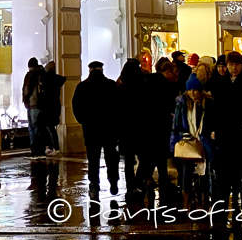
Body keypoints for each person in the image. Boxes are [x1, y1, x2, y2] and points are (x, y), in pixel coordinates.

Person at [211, 51, 242, 211]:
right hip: (225, 133)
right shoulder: (220, 83)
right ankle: (224, 203)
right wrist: (214, 129)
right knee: (225, 169)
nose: (233, 68)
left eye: (236, 65)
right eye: (230, 65)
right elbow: (216, 109)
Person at [72, 61, 120, 197]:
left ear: (90, 70)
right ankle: (113, 181)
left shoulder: (82, 86)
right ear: (101, 70)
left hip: (91, 128)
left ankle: (94, 183)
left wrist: (83, 121)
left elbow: (76, 107)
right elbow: (118, 107)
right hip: (109, 127)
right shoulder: (111, 85)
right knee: (111, 156)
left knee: (93, 157)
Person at [171, 75, 215, 209]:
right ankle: (187, 199)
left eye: (195, 90)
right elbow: (177, 123)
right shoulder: (182, 103)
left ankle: (204, 197)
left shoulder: (207, 103)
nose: (193, 93)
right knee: (187, 170)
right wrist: (176, 139)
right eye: (190, 90)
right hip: (187, 140)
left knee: (205, 170)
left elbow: (211, 120)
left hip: (204, 140)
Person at [139, 58, 180, 197]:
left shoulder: (148, 82)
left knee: (153, 155)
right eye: (174, 74)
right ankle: (157, 179)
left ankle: (148, 179)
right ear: (168, 72)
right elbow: (169, 105)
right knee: (160, 153)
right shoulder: (165, 85)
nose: (176, 77)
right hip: (161, 124)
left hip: (148, 124)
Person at [117, 59, 148, 194]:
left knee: (128, 161)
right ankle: (138, 180)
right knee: (145, 158)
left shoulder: (120, 88)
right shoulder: (143, 86)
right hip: (140, 127)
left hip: (125, 128)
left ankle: (131, 186)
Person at [37, 60, 66, 157]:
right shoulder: (56, 79)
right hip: (54, 105)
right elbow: (62, 79)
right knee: (50, 127)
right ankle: (52, 147)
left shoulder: (46, 79)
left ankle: (55, 147)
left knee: (50, 127)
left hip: (48, 106)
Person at [22, 57, 44, 157]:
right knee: (40, 128)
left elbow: (27, 89)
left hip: (33, 104)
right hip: (42, 104)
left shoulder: (30, 75)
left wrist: (25, 100)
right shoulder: (43, 73)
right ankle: (41, 151)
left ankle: (34, 152)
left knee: (32, 128)